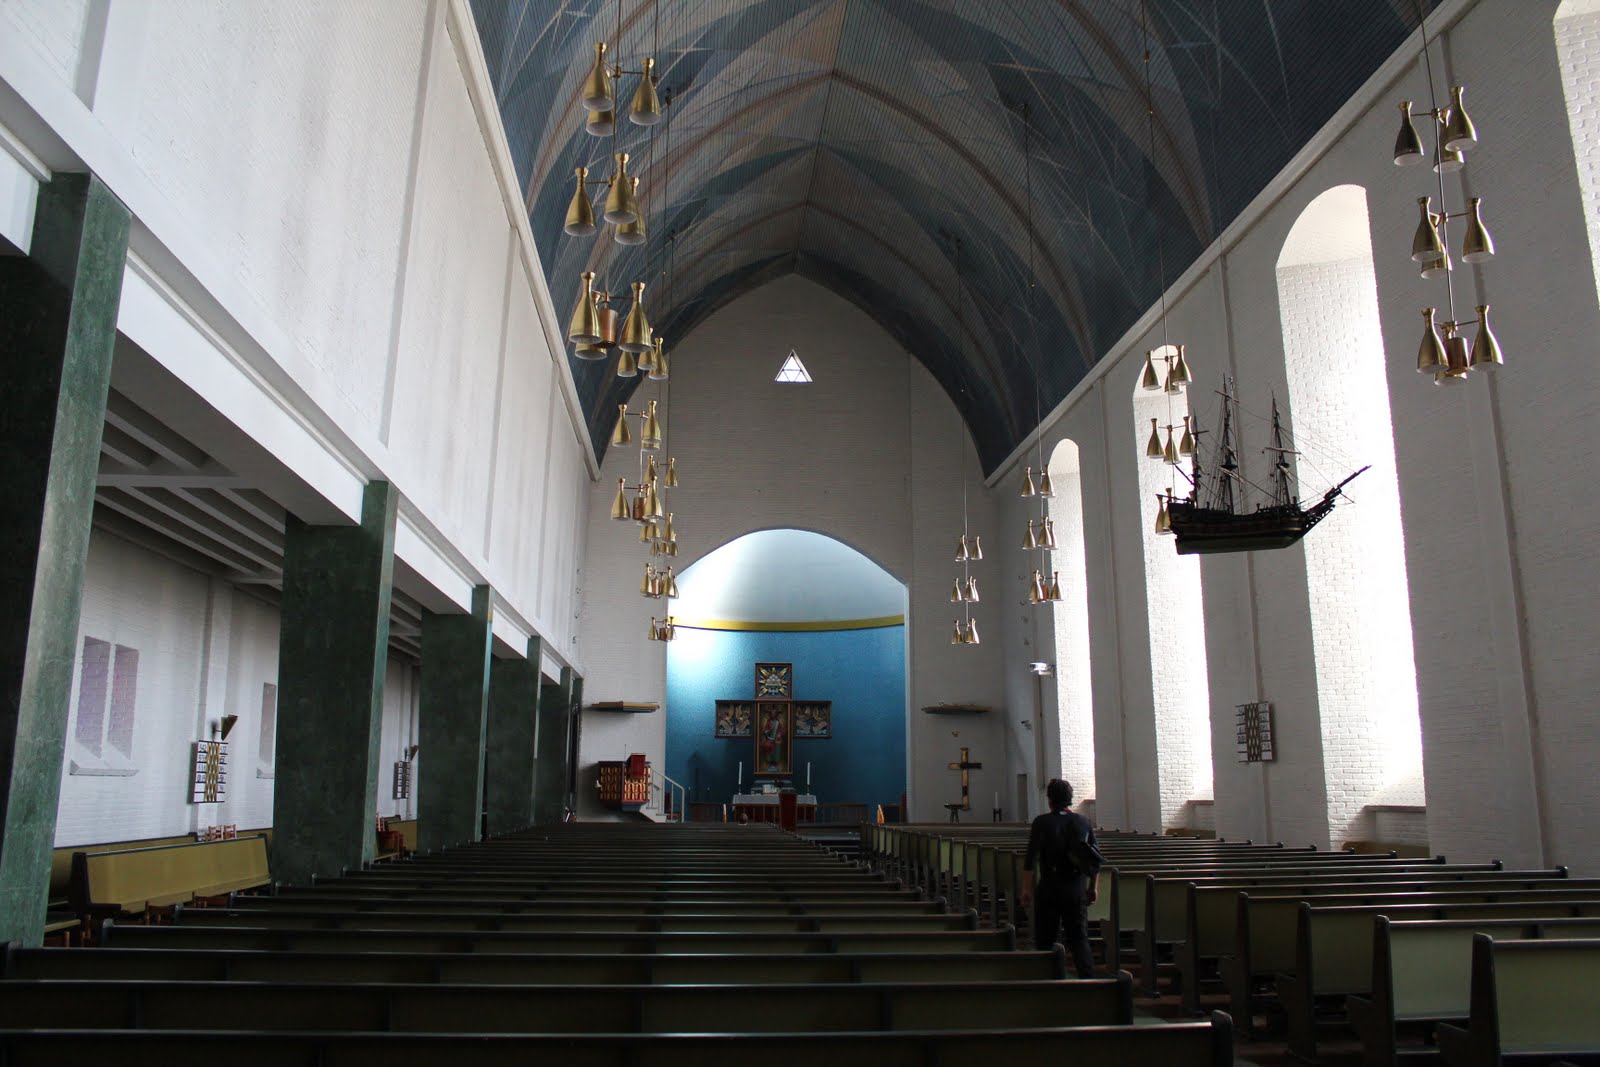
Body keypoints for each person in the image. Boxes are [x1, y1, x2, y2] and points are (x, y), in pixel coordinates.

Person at [1019, 778, 1101, 977]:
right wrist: (1093, 887)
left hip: (1050, 886)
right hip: (1076, 886)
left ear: (1050, 800)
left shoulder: (1042, 822)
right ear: (1070, 798)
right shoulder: (1083, 821)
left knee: (1045, 939)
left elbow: (1030, 860)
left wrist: (1026, 889)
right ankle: (1089, 982)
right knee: (1079, 938)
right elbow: (1095, 859)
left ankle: (1048, 980)